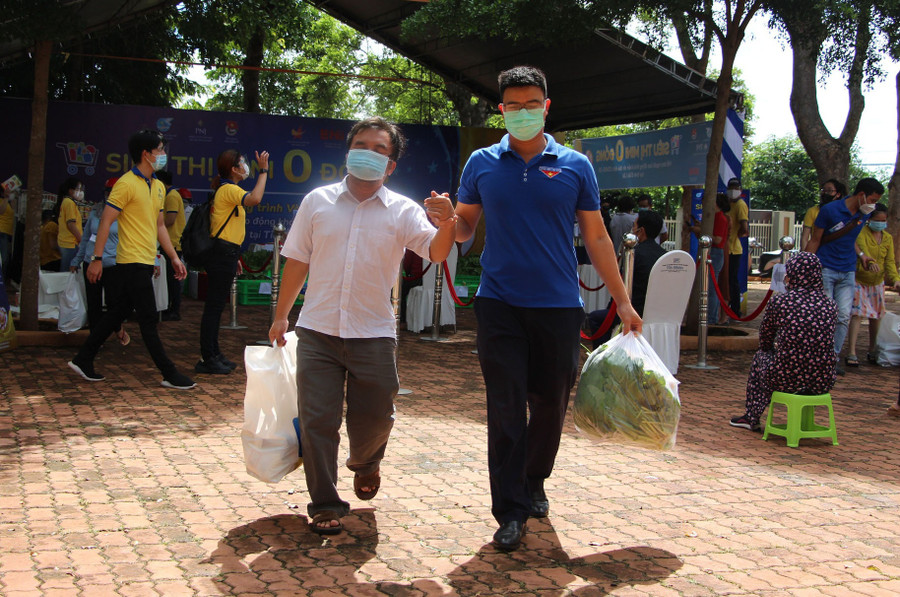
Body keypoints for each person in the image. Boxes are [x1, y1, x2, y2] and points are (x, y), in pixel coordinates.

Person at [452, 66, 641, 551]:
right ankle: (510, 509)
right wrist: (447, 222)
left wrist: (622, 301)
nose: (521, 112)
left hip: (559, 306)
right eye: (512, 105)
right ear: (501, 109)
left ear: (546, 106)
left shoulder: (576, 165)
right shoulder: (481, 163)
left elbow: (596, 236)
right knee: (506, 406)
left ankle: (536, 478)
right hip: (498, 304)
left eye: (530, 104)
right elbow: (464, 229)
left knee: (551, 403)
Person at [268, 117, 456, 536]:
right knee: (318, 420)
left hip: (373, 333)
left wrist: (448, 222)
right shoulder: (317, 202)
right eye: (361, 144)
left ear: (390, 166)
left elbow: (437, 252)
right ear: (348, 152)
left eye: (380, 148)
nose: (368, 152)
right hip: (317, 330)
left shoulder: (404, 210)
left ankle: (366, 461)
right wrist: (282, 315)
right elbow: (297, 259)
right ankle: (324, 502)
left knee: (376, 418)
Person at [68, 129, 195, 390]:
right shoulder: (125, 183)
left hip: (147, 260)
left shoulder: (159, 186)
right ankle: (169, 373)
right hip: (130, 262)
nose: (163, 154)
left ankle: (83, 358)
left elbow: (160, 226)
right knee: (148, 319)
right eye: (159, 150)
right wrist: (96, 258)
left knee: (119, 312)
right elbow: (106, 220)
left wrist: (172, 257)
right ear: (145, 154)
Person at [730, 252, 837, 432]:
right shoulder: (830, 305)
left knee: (761, 357)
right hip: (823, 379)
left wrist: (777, 350)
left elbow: (765, 339)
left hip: (786, 378)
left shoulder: (781, 302)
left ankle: (751, 417)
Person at [196, 149, 270, 374]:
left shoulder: (228, 189)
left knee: (217, 307)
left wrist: (235, 256)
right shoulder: (229, 189)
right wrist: (263, 171)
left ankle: (214, 353)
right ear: (233, 169)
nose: (245, 166)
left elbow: (229, 228)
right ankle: (208, 357)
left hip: (227, 253)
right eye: (242, 163)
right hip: (221, 253)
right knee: (214, 307)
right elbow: (255, 199)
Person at [805, 177, 883, 375]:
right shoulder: (830, 211)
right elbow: (816, 240)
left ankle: (832, 358)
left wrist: (862, 255)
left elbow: (852, 238)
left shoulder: (865, 214)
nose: (873, 204)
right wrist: (804, 266)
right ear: (861, 195)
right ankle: (817, 357)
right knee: (825, 315)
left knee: (843, 316)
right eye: (872, 199)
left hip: (848, 270)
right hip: (826, 268)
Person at [586, 209, 665, 349]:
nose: (632, 229)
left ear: (641, 231)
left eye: (633, 226)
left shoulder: (633, 255)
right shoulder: (665, 256)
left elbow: (622, 286)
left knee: (595, 318)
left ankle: (603, 356)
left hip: (635, 311)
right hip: (660, 313)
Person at [71, 177, 129, 345]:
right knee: (93, 302)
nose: (110, 195)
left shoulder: (127, 215)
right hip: (91, 263)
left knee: (114, 302)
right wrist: (77, 259)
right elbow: (86, 238)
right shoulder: (96, 212)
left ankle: (117, 328)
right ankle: (95, 339)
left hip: (113, 265)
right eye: (108, 192)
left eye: (114, 193)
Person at [846, 203, 899, 367]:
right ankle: (852, 352)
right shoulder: (861, 233)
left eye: (884, 220)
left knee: (876, 316)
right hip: (859, 279)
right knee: (856, 314)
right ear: (870, 220)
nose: (881, 223)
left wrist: (895, 278)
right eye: (878, 220)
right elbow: (860, 252)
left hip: (877, 282)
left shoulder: (888, 238)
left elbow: (889, 261)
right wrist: (868, 263)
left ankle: (872, 349)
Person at [686, 193, 730, 324]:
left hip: (715, 253)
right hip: (711, 252)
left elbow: (718, 239)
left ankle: (711, 318)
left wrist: (702, 230)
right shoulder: (713, 217)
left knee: (711, 287)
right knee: (707, 286)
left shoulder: (721, 218)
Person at [155, 171, 187, 322]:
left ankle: (174, 310)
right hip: (168, 242)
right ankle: (169, 307)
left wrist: (154, 228)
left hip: (173, 242)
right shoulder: (169, 195)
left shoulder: (172, 196)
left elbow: (170, 220)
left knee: (173, 279)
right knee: (169, 279)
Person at [725, 177, 749, 318]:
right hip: (728, 248)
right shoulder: (730, 205)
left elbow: (744, 228)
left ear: (739, 190)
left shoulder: (740, 204)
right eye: (731, 188)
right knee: (727, 280)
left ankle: (735, 309)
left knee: (732, 280)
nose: (733, 191)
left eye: (735, 188)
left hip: (734, 249)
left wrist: (734, 236)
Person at [801, 179, 846, 251]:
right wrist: (804, 256)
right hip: (818, 251)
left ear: (838, 194)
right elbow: (805, 237)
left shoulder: (843, 212)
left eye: (829, 190)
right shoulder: (812, 211)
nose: (825, 193)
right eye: (823, 190)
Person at [56, 177, 84, 271]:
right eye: (77, 189)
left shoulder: (66, 202)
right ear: (70, 190)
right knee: (67, 273)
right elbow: (71, 224)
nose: (80, 192)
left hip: (67, 243)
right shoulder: (69, 203)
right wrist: (81, 240)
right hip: (70, 243)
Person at [0, 187, 14, 278]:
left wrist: (12, 197)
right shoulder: (2, 201)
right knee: (4, 258)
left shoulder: (7, 202)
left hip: (6, 233)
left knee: (5, 258)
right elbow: (1, 211)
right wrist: (6, 198)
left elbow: (13, 211)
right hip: (1, 231)